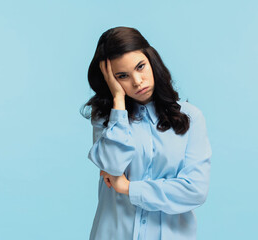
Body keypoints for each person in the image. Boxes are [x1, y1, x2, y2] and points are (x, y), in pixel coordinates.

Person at [81, 26, 212, 240]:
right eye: (122, 76)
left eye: (140, 67)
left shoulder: (191, 117)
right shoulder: (107, 119)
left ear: (152, 60)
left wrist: (128, 188)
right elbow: (112, 165)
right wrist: (118, 101)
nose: (137, 81)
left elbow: (195, 190)